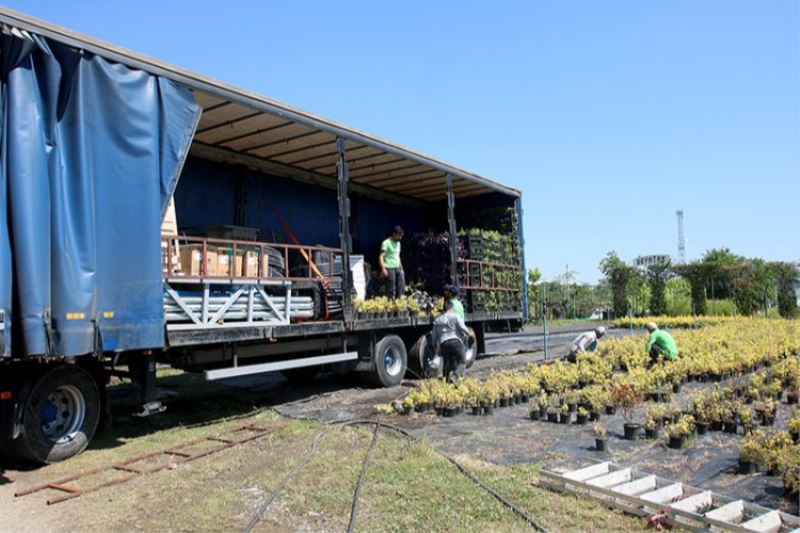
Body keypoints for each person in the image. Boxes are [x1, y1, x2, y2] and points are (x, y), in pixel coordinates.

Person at [432, 300, 475, 383]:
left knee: (447, 364)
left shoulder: (437, 321)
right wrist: (470, 334)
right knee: (462, 362)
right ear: (452, 308)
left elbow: (434, 337)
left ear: (444, 309)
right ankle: (455, 377)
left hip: (444, 344)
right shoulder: (455, 316)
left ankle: (447, 383)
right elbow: (463, 328)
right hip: (456, 343)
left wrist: (436, 348)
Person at [379, 226, 405, 299]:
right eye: (399, 236)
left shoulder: (398, 243)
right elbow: (381, 256)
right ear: (394, 234)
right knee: (391, 288)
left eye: (401, 236)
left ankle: (399, 303)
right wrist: (383, 269)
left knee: (401, 286)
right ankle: (391, 306)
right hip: (389, 268)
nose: (400, 238)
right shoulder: (386, 242)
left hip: (397, 267)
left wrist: (401, 269)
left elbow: (397, 256)